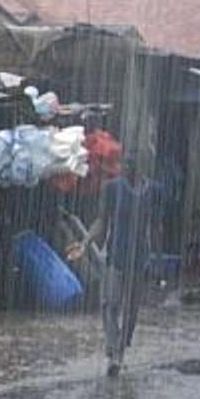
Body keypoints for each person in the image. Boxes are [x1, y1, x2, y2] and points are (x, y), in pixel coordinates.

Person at [67, 156, 152, 378]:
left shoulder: (151, 191)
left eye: (133, 167)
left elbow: (155, 226)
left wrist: (156, 260)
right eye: (126, 166)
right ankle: (115, 352)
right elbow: (102, 220)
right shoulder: (112, 189)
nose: (128, 170)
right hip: (116, 256)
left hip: (140, 258)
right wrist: (85, 243)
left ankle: (121, 348)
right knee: (110, 304)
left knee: (131, 311)